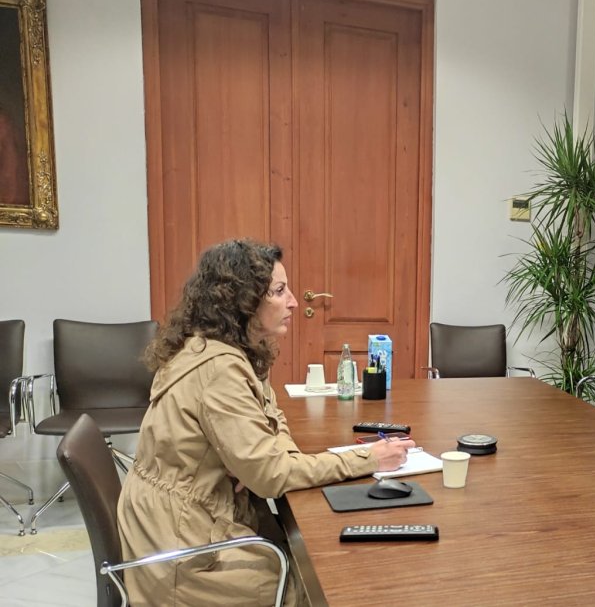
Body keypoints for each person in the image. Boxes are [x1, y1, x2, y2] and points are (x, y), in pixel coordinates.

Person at [117, 239, 414, 606]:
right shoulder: (220, 367)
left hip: (190, 520)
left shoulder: (232, 350)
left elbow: (272, 423)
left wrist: (266, 458)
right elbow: (271, 476)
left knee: (313, 553)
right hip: (182, 549)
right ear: (242, 302)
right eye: (278, 291)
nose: (292, 301)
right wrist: (369, 458)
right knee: (320, 582)